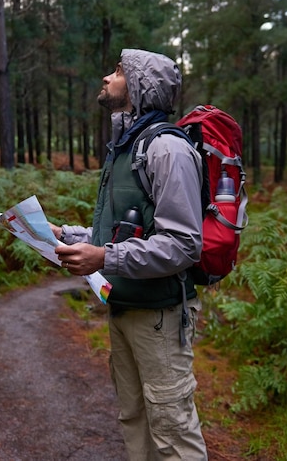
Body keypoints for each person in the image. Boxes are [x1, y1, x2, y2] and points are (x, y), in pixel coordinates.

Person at [50, 48, 208, 461]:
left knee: (172, 430)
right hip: (123, 308)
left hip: (158, 316)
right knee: (134, 419)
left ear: (139, 86)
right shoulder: (125, 147)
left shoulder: (166, 150)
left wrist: (105, 259)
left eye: (118, 71)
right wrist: (62, 234)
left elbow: (184, 244)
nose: (107, 77)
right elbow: (115, 234)